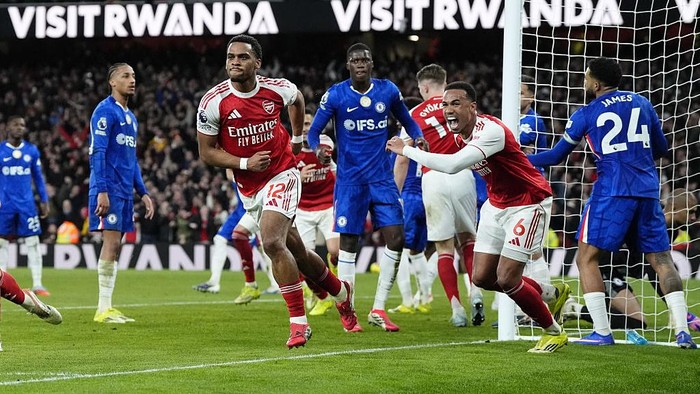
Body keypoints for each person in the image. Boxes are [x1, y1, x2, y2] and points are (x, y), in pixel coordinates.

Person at [196, 34, 358, 348]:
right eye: (231, 57)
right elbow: (207, 152)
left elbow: (297, 99)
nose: (235, 62)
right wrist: (244, 162)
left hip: (283, 173)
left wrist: (297, 139)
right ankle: (341, 293)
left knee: (271, 240)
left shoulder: (276, 88)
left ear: (257, 63)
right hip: (250, 186)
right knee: (297, 252)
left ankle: (299, 324)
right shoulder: (213, 101)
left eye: (242, 57)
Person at [386, 81, 570, 353]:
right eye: (446, 105)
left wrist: (408, 150)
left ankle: (553, 332)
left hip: (528, 203)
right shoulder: (462, 135)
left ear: (472, 107)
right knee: (482, 277)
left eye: (456, 104)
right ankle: (552, 293)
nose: (448, 110)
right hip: (496, 206)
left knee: (507, 278)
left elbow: (451, 165)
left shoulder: (490, 131)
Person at [527, 57, 696, 349]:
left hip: (611, 192)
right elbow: (662, 149)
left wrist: (517, 159)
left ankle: (603, 332)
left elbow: (555, 157)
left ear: (595, 83)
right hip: (647, 190)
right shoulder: (642, 103)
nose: (584, 82)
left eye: (586, 77)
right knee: (662, 261)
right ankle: (683, 330)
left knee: (585, 258)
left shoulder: (587, 113)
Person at [306, 43, 426, 332]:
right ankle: (347, 310)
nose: (360, 64)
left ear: (372, 64)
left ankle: (379, 309)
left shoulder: (387, 91)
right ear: (348, 65)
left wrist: (418, 137)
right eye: (355, 60)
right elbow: (313, 131)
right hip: (350, 182)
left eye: (365, 60)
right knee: (348, 245)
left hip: (382, 179)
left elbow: (408, 120)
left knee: (396, 238)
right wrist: (318, 149)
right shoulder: (335, 94)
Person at [402, 64, 482, 327]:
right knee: (468, 241)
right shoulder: (459, 106)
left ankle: (457, 308)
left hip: (433, 176)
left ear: (423, 87)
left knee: (444, 248)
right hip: (462, 173)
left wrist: (396, 191)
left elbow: (403, 159)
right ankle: (476, 292)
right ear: (444, 83)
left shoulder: (412, 114)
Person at [89, 63, 155, 324]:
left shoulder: (131, 117)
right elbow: (98, 152)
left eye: (134, 76)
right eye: (125, 76)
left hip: (125, 190)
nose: (132, 80)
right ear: (112, 82)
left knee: (117, 245)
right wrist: (102, 190)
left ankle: (108, 306)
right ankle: (102, 309)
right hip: (110, 188)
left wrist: (144, 192)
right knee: (112, 242)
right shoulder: (105, 111)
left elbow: (132, 159)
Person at [193, 170, 277, 302]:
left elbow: (230, 173)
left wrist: (227, 153)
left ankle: (273, 283)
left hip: (251, 210)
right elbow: (230, 175)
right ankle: (214, 282)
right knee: (219, 239)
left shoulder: (249, 167)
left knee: (261, 247)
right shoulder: (239, 168)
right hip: (239, 211)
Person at [295, 108, 340, 316]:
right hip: (303, 210)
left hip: (328, 205)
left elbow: (324, 155)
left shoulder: (325, 143)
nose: (306, 129)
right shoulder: (289, 149)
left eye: (309, 125)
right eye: (302, 124)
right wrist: (298, 177)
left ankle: (338, 289)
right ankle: (321, 297)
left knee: (336, 251)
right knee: (304, 261)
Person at [0, 115, 51, 296]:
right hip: (4, 205)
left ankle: (38, 284)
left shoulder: (31, 150)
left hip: (26, 205)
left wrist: (44, 200)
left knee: (33, 242)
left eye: (22, 125)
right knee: (2, 242)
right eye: (16, 125)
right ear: (7, 127)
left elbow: (38, 177)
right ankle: (1, 283)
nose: (20, 128)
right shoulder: (0, 151)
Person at [390, 96, 431, 316]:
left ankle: (407, 300)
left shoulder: (402, 139)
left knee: (398, 250)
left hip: (407, 195)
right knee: (417, 252)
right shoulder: (422, 136)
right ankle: (424, 298)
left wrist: (394, 196)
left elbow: (400, 163)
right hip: (426, 195)